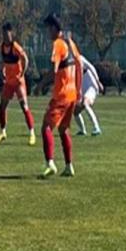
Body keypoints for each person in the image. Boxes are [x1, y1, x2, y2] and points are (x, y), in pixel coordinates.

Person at [40, 15, 82, 178]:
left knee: (46, 128)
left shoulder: (58, 44)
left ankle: (50, 163)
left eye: (48, 29)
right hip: (72, 95)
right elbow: (79, 65)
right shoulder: (70, 42)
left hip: (61, 95)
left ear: (53, 28)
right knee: (64, 129)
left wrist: (40, 85)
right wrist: (78, 90)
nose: (47, 33)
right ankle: (69, 166)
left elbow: (54, 70)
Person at [0, 23, 36, 146]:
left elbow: (25, 59)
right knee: (2, 106)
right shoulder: (2, 47)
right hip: (8, 82)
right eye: (3, 33)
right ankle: (3, 132)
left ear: (11, 34)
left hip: (18, 82)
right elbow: (4, 60)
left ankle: (32, 133)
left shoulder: (15, 46)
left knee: (24, 106)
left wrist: (22, 73)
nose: (5, 36)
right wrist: (3, 69)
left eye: (7, 33)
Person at [74, 55, 103, 136]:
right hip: (81, 87)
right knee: (75, 110)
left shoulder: (79, 58)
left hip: (90, 84)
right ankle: (82, 130)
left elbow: (91, 67)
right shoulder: (66, 62)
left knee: (85, 103)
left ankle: (96, 128)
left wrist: (98, 82)